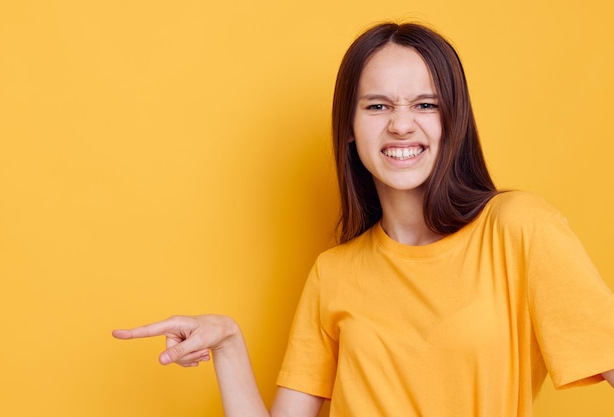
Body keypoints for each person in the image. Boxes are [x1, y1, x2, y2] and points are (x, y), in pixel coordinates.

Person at [113, 22, 614, 416]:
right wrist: (228, 345)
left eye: (425, 104)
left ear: (453, 121)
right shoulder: (333, 274)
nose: (400, 123)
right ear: (350, 128)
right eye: (377, 105)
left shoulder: (519, 228)